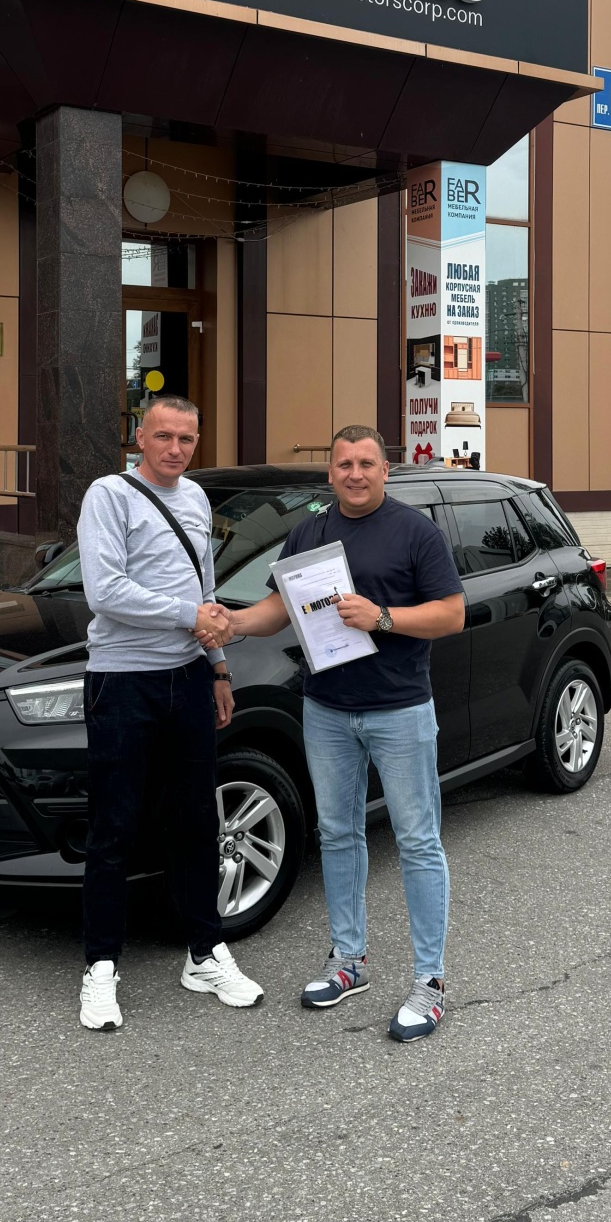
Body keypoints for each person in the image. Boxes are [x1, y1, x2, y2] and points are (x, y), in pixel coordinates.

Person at [223, 425, 464, 1042]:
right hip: (327, 709)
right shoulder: (309, 533)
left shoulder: (415, 531)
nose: (355, 474)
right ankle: (348, 960)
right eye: (344, 465)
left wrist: (381, 617)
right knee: (336, 834)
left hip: (399, 710)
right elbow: (279, 607)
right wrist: (232, 623)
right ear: (329, 474)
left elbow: (451, 614)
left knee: (417, 841)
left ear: (385, 470)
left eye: (366, 463)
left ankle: (431, 982)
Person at [73, 395, 264, 1030]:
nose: (175, 448)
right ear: (140, 437)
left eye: (186, 438)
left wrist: (218, 667)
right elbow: (105, 591)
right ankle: (101, 965)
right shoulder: (109, 495)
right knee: (115, 826)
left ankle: (204, 953)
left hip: (188, 677)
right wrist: (191, 617)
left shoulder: (197, 499)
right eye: (163, 436)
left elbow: (203, 589)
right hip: (123, 681)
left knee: (196, 822)